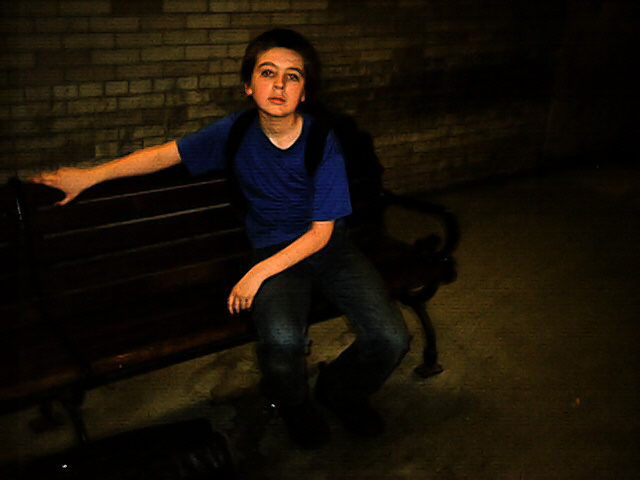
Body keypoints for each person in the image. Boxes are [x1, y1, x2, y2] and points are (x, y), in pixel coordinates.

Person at [30, 29, 410, 449]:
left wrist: (255, 275)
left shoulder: (322, 141)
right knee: (282, 342)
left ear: (304, 93)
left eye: (292, 77)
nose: (279, 85)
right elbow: (162, 155)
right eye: (267, 73)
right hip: (272, 246)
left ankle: (341, 391)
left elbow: (321, 234)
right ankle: (294, 405)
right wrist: (90, 175)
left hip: (327, 247)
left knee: (390, 337)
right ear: (248, 85)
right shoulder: (235, 132)